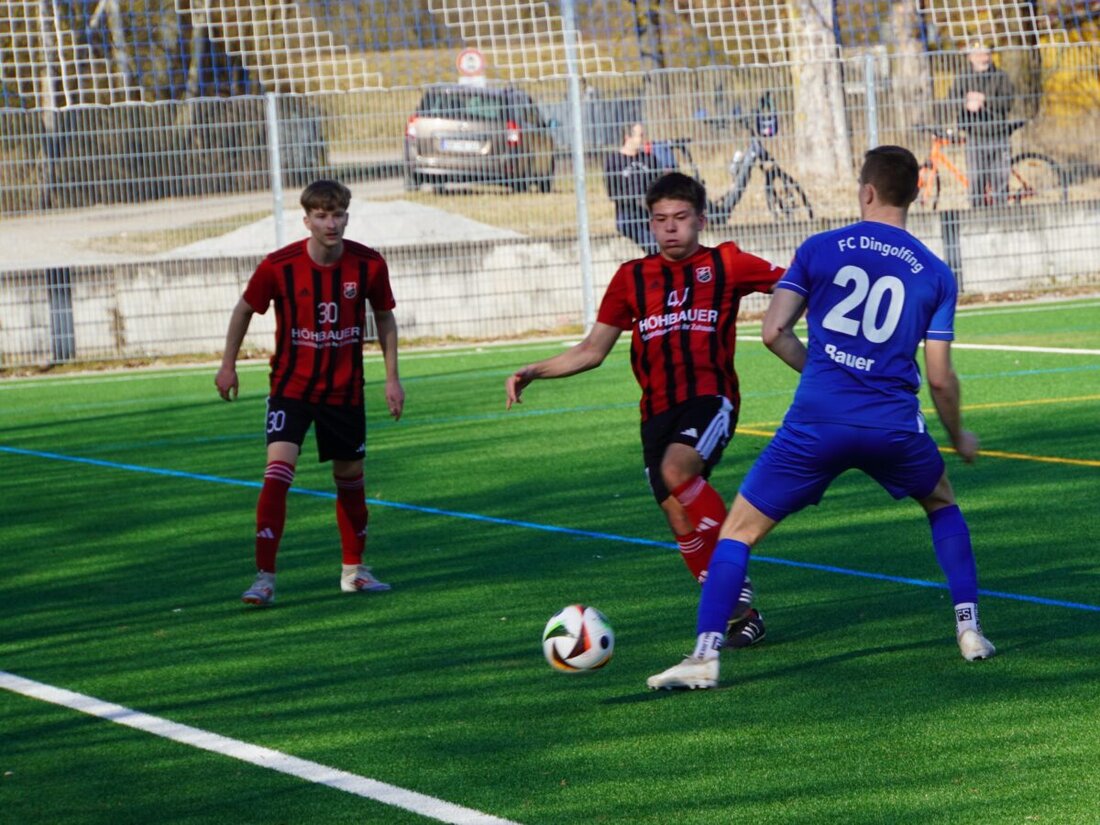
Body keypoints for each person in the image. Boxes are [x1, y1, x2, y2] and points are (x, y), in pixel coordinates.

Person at [647, 146, 995, 691]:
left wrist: (824, 374)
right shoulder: (936, 272)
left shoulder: (819, 248)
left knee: (738, 533)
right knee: (941, 502)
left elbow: (772, 332)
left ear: (866, 192)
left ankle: (705, 655)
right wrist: (959, 434)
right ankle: (970, 628)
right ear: (917, 194)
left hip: (816, 421)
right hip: (893, 426)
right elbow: (941, 378)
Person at [507, 172, 786, 648]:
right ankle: (742, 618)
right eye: (661, 220)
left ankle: (732, 577)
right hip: (656, 412)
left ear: (700, 219)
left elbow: (792, 282)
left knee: (679, 468)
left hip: (710, 397)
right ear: (650, 223)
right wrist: (535, 369)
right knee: (678, 516)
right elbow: (592, 349)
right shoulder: (631, 278)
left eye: (680, 218)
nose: (670, 228)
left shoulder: (727, 263)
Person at [215, 179, 405, 606]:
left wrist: (392, 378)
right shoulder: (278, 266)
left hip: (344, 392)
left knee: (350, 479)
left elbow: (386, 319)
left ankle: (354, 571)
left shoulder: (368, 265)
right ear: (307, 220)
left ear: (347, 217)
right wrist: (228, 364)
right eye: (321, 216)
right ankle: (264, 578)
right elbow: (245, 308)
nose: (330, 223)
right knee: (277, 475)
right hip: (291, 388)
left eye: (337, 215)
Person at [949, 40, 1016, 208]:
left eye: (986, 54)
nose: (983, 58)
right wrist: (965, 102)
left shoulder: (1001, 77)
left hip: (999, 135)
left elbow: (1008, 102)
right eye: (978, 54)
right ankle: (977, 218)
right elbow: (951, 100)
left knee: (1000, 182)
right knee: (976, 183)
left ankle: (1001, 216)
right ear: (970, 57)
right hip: (974, 137)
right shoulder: (963, 78)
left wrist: (985, 100)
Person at [604, 122, 667, 255]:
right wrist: (635, 200)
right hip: (628, 212)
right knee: (630, 225)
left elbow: (661, 184)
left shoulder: (649, 159)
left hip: (650, 210)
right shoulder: (614, 161)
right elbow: (613, 192)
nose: (643, 139)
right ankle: (657, 252)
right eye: (640, 135)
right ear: (628, 137)